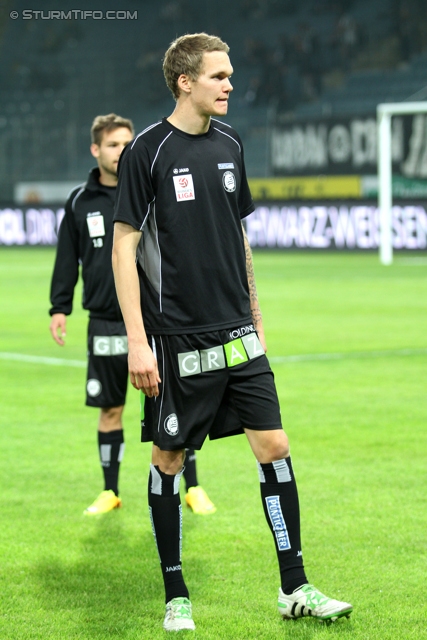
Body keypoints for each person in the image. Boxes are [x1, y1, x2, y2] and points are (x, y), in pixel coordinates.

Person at [112, 33, 353, 632]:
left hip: (239, 333)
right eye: (219, 76)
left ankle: (294, 586)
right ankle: (176, 592)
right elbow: (125, 247)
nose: (230, 84)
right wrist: (138, 341)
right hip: (176, 340)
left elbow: (237, 235)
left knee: (274, 447)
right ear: (185, 82)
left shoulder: (230, 144)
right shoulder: (148, 151)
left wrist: (257, 311)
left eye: (230, 75)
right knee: (168, 458)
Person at [49, 113, 216, 517]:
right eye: (112, 144)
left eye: (127, 142)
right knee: (110, 407)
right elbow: (66, 259)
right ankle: (110, 491)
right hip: (105, 320)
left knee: (176, 406)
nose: (121, 151)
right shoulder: (80, 201)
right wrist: (59, 307)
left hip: (157, 320)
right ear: (96, 150)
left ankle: (192, 487)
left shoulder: (148, 186)